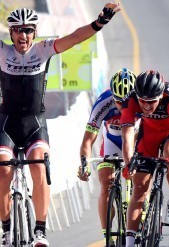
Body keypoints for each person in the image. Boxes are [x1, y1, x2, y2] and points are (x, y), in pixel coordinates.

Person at [0, 3, 120, 247]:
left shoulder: (44, 50)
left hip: (34, 124)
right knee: (3, 169)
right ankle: (6, 229)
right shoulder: (2, 52)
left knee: (39, 168)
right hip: (6, 123)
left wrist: (100, 22)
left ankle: (40, 230)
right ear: (11, 33)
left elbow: (75, 37)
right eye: (17, 30)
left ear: (34, 32)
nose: (23, 35)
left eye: (27, 30)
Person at [120, 70, 169, 246]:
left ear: (160, 96)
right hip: (148, 135)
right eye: (142, 102)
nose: (146, 106)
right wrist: (129, 164)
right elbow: (127, 137)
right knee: (139, 190)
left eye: (151, 102)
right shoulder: (131, 99)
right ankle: (130, 243)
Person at [77, 68, 135, 246]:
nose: (122, 106)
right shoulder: (103, 103)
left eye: (126, 102)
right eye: (119, 102)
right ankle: (108, 236)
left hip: (135, 142)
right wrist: (84, 165)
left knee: (140, 181)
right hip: (112, 144)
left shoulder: (140, 102)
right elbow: (88, 140)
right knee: (106, 184)